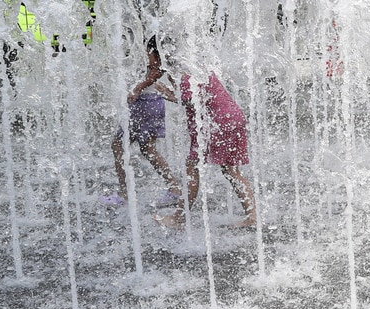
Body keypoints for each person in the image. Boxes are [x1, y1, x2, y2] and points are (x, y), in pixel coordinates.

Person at [154, 60, 257, 229]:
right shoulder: (193, 63)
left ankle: (178, 218)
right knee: (231, 171)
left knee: (191, 169)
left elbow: (191, 100)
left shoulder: (186, 74)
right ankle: (252, 217)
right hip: (232, 116)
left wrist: (164, 92)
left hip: (216, 122)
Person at [100, 38, 182, 208]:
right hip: (149, 102)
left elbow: (156, 72)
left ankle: (124, 194)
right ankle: (174, 188)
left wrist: (137, 89)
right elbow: (152, 75)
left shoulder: (150, 44)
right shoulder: (147, 41)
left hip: (145, 104)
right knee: (148, 150)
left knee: (118, 146)